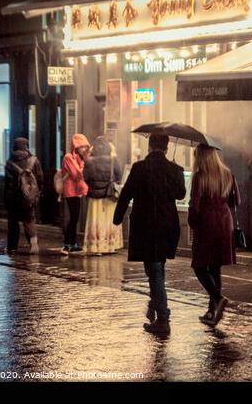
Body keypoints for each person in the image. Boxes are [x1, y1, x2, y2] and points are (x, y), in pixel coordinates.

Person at [113, 133, 186, 334]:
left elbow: (125, 195)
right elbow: (181, 194)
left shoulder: (138, 168)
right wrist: (176, 171)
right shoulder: (174, 169)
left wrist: (117, 218)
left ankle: (163, 319)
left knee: (153, 270)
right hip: (168, 226)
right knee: (157, 267)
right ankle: (156, 306)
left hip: (145, 227)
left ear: (150, 146)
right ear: (166, 147)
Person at [188, 144, 241, 327]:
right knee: (215, 267)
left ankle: (217, 299)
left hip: (206, 224)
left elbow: (194, 206)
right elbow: (236, 201)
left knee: (200, 266)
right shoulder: (227, 173)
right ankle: (212, 313)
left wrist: (192, 222)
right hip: (224, 223)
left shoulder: (199, 177)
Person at [82, 137, 123, 255]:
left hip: (95, 196)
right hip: (109, 195)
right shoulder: (113, 160)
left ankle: (96, 247)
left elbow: (86, 178)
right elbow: (119, 177)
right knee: (109, 220)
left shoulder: (89, 161)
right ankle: (110, 246)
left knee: (96, 220)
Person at [4, 137, 44, 255]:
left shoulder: (10, 162)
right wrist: (37, 193)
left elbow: (8, 184)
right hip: (28, 198)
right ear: (26, 146)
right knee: (29, 220)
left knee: (13, 223)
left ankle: (12, 248)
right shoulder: (34, 160)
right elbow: (40, 179)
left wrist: (7, 199)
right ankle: (33, 242)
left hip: (13, 199)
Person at [61, 133, 91, 254]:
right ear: (76, 146)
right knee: (73, 217)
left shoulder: (81, 157)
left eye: (85, 146)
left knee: (75, 218)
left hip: (78, 190)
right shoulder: (68, 157)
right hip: (70, 190)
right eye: (82, 146)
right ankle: (67, 243)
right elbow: (76, 174)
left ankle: (72, 243)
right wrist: (84, 165)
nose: (84, 149)